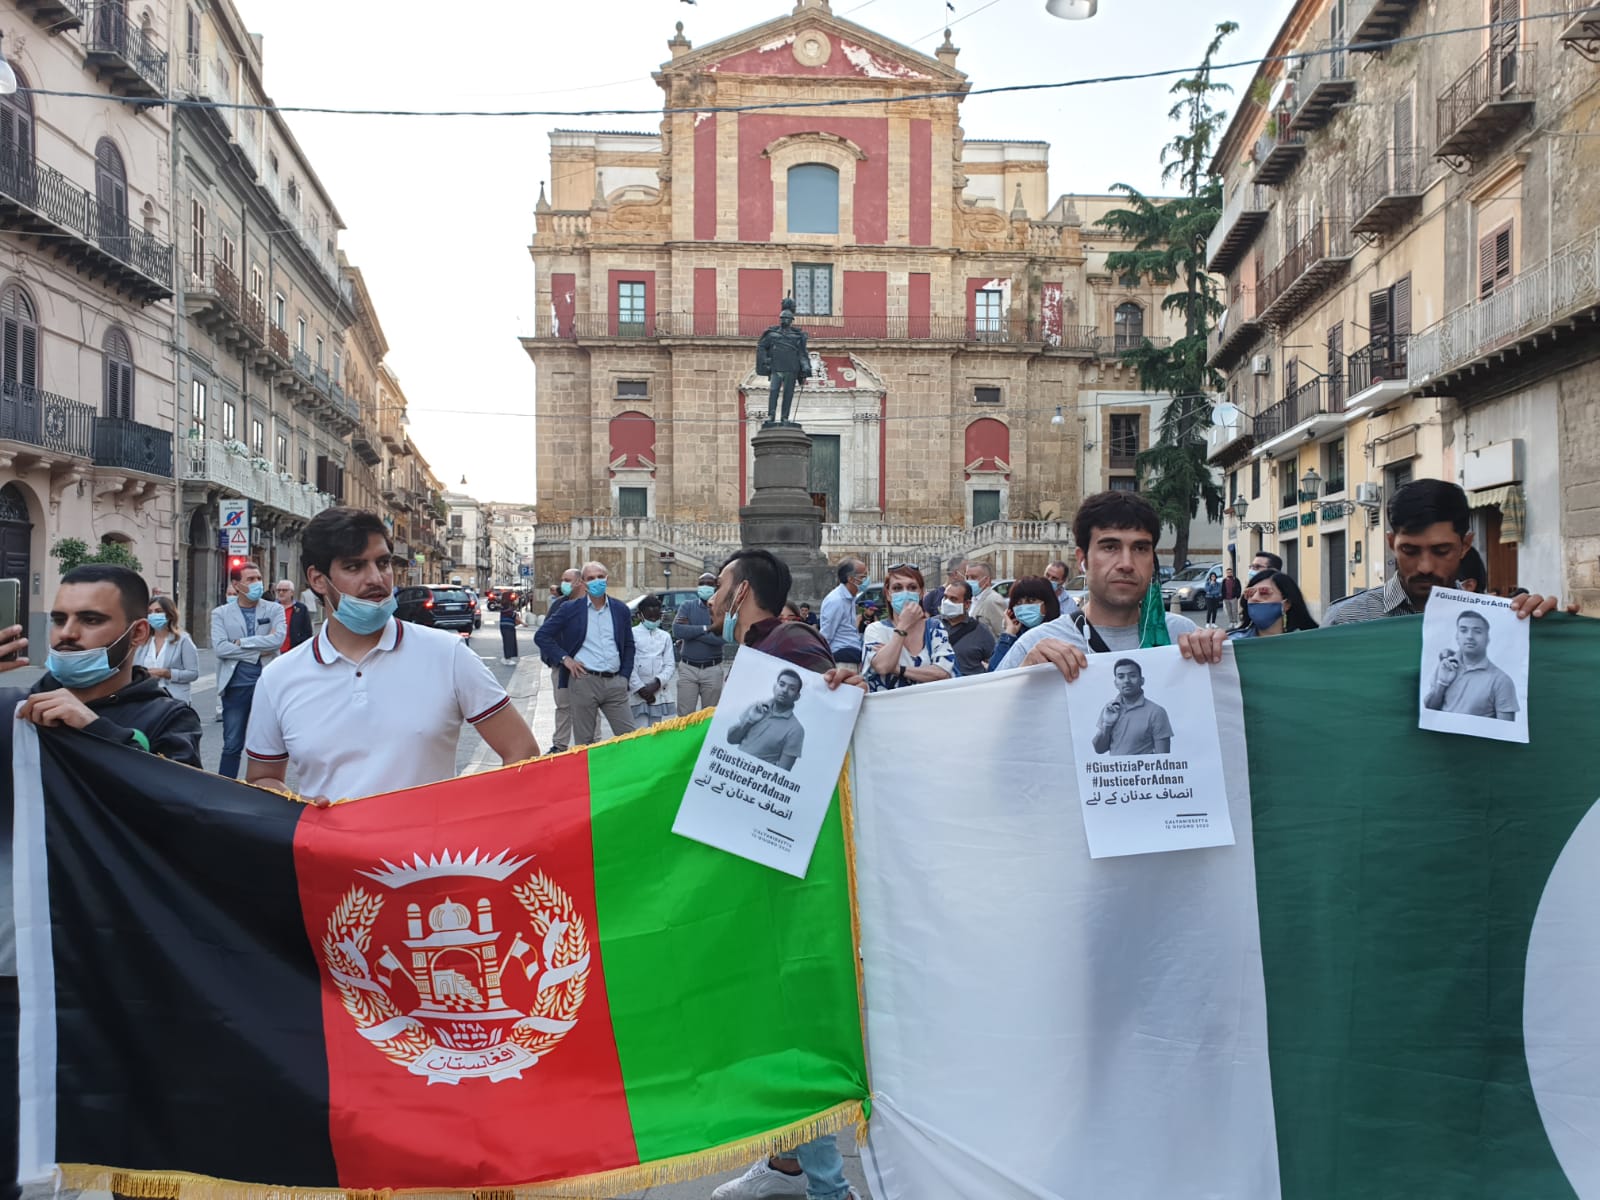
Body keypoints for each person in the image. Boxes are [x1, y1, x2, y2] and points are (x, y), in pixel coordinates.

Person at [705, 547, 860, 1200]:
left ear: (741, 593)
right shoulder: (758, 653)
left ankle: (827, 1185)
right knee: (771, 1016)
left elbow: (829, 722)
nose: (710, 601)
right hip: (761, 850)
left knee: (790, 1020)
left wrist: (842, 683)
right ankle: (786, 1162)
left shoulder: (790, 645)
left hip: (791, 863)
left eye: (718, 588)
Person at [244, 508, 537, 801]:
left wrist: (468, 825)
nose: (377, 578)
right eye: (354, 567)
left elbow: (521, 751)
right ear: (318, 580)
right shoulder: (277, 678)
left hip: (428, 847)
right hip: (327, 847)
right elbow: (262, 777)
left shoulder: (448, 655)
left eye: (382, 563)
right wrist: (300, 807)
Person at [996, 491, 1223, 678]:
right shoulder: (1034, 648)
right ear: (1082, 558)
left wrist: (1223, 659)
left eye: (1140, 548)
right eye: (1110, 547)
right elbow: (982, 725)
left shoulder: (1186, 638)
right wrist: (1021, 680)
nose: (1126, 564)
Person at [0, 565, 203, 765]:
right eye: (60, 620)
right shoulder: (16, 707)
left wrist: (97, 730)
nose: (66, 633)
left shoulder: (169, 719)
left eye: (90, 620)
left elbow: (180, 793)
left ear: (138, 633)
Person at [1326, 480, 1560, 624]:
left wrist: (1551, 632)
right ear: (1391, 543)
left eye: (1441, 551)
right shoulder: (1345, 620)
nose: (1425, 566)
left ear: (1465, 545)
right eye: (1409, 550)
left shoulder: (1499, 619)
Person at [534, 560, 637, 747]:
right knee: (585, 742)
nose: (596, 581)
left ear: (607, 579)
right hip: (584, 681)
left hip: (615, 683)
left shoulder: (620, 609)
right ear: (583, 581)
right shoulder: (570, 609)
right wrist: (566, 660)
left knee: (630, 738)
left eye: (600, 577)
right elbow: (542, 636)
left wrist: (624, 677)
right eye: (591, 578)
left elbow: (629, 645)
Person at [211, 561, 287, 779]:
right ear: (236, 585)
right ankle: (225, 789)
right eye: (250, 579)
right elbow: (220, 648)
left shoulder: (274, 609)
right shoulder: (220, 613)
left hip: (268, 686)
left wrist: (241, 643)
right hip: (236, 687)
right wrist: (257, 651)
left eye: (259, 578)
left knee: (269, 744)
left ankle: (265, 787)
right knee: (232, 744)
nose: (257, 583)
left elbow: (277, 640)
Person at [862, 564, 955, 692]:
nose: (905, 593)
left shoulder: (934, 628)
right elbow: (882, 666)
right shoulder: (875, 630)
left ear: (921, 593)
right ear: (888, 594)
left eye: (912, 587)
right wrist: (903, 626)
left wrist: (898, 669)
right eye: (897, 588)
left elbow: (942, 673)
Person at [1424, 609, 1519, 721]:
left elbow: (1506, 730)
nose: (1469, 636)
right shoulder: (1445, 666)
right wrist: (1442, 684)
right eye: (1463, 630)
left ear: (1487, 638)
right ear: (1457, 636)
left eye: (1477, 631)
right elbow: (1429, 711)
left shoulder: (1501, 680)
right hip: (1439, 738)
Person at [727, 668, 806, 769]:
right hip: (731, 768)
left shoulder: (796, 729)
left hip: (754, 780)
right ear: (774, 687)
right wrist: (749, 721)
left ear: (797, 696)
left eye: (792, 688)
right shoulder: (757, 707)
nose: (784, 690)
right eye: (781, 684)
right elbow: (731, 739)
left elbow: (783, 772)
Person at [1092, 658, 1174, 756]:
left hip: (1143, 770)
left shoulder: (1156, 712)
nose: (1126, 681)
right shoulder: (1110, 709)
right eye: (1121, 677)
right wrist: (1107, 725)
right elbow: (1099, 749)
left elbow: (1163, 757)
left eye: (1132, 676)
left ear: (1142, 681)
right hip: (1114, 770)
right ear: (1115, 683)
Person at [673, 570, 727, 715]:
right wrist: (708, 628)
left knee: (708, 717)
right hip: (688, 669)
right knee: (684, 716)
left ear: (716, 587)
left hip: (712, 669)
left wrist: (691, 632)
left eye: (709, 584)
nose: (705, 587)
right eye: (701, 584)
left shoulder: (723, 611)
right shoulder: (687, 606)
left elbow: (721, 639)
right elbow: (678, 631)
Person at [133, 594, 200, 705]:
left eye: (158, 611)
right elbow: (133, 669)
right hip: (146, 698)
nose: (153, 615)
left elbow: (193, 673)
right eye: (150, 612)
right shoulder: (143, 641)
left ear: (169, 615)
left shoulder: (182, 640)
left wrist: (167, 673)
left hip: (174, 699)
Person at [543, 567, 583, 751]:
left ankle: (593, 745)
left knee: (588, 708)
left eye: (567, 579)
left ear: (578, 582)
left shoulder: (589, 605)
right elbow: (545, 634)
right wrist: (553, 659)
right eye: (563, 579)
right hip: (561, 666)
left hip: (586, 667)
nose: (563, 583)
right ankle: (560, 745)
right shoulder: (558, 605)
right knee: (563, 706)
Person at [988, 576, 1060, 671]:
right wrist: (1009, 633)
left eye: (1031, 601)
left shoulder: (1059, 633)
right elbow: (993, 673)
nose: (1024, 606)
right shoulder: (1014, 637)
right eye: (1018, 603)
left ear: (1047, 603)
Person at [628, 594, 677, 729]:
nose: (653, 620)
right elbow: (628, 664)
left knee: (656, 731)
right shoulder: (631, 634)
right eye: (650, 617)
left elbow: (669, 664)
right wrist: (640, 688)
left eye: (656, 617)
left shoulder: (665, 636)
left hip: (657, 691)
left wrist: (657, 683)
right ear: (639, 616)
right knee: (639, 731)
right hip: (637, 692)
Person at [1228, 569, 1319, 639]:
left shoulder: (1310, 644)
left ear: (1286, 604)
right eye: (1250, 593)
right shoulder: (1231, 643)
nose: (1255, 598)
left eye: (1264, 592)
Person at [940, 578, 995, 677]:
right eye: (945, 597)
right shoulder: (932, 625)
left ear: (967, 604)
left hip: (969, 688)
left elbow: (994, 663)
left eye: (953, 599)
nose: (946, 602)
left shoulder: (981, 632)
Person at [819, 557, 867, 666]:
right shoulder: (836, 600)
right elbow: (827, 633)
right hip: (842, 657)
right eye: (863, 577)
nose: (866, 580)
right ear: (851, 579)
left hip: (852, 653)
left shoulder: (850, 598)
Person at [965, 560, 1007, 638]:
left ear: (986, 580)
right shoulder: (971, 598)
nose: (969, 581)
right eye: (967, 577)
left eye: (973, 577)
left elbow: (1002, 633)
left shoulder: (993, 600)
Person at [275, 579, 314, 651]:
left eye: (284, 590)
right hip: (274, 652)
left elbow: (307, 632)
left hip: (293, 650)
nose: (281, 593)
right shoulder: (271, 607)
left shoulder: (301, 609)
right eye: (278, 590)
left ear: (292, 593)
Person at [499, 595, 519, 664]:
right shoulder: (507, 607)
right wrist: (523, 623)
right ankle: (507, 659)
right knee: (509, 642)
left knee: (508, 642)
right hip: (507, 627)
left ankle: (507, 657)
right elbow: (513, 615)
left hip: (507, 626)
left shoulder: (505, 606)